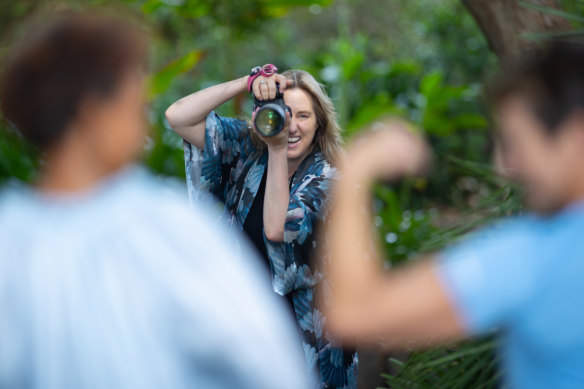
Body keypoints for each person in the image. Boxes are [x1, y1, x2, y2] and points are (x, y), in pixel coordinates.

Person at [0, 10, 310, 389]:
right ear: (94, 110)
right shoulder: (164, 226)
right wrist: (248, 84)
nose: (143, 122)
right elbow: (265, 362)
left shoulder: (9, 236)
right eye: (135, 104)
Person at [323, 39, 584, 389]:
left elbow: (353, 314)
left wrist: (356, 167)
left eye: (517, 143)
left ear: (575, 135)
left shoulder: (535, 255)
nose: (505, 166)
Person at [166, 67, 358, 388]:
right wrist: (246, 82)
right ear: (263, 116)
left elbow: (276, 230)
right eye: (283, 113)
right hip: (249, 327)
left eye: (303, 116)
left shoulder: (329, 178)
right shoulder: (248, 152)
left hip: (307, 335)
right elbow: (179, 116)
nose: (292, 126)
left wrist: (278, 148)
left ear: (319, 122)